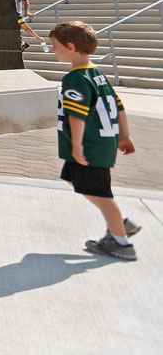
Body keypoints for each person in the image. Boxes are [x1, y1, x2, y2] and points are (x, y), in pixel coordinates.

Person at [48, 21, 141, 259]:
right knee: (72, 179)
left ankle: (120, 243)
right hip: (99, 143)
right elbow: (118, 106)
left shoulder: (76, 79)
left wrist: (77, 145)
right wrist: (125, 135)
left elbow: (77, 116)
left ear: (70, 47)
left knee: (102, 193)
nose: (52, 50)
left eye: (55, 46)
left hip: (89, 146)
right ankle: (119, 223)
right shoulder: (96, 73)